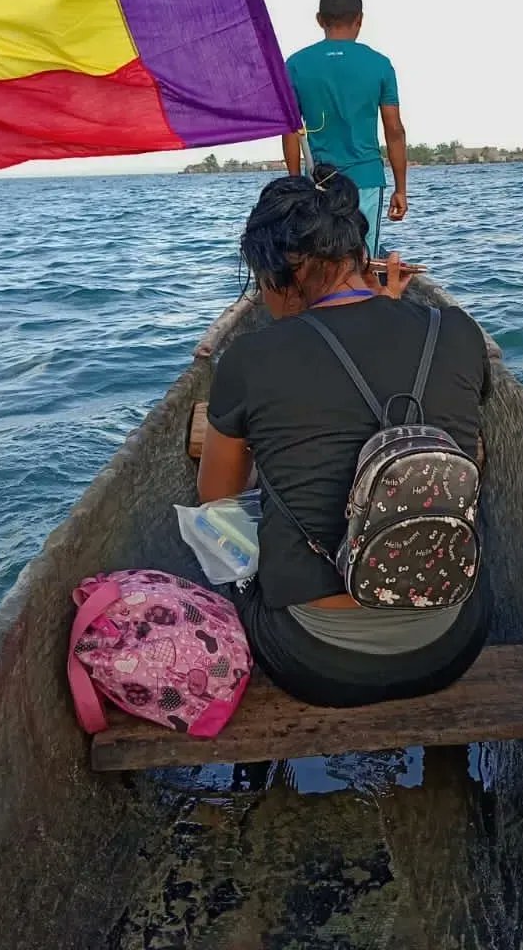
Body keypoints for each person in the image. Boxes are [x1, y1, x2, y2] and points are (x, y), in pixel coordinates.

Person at [197, 169, 490, 707]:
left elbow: (216, 503)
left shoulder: (249, 357)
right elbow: (472, 458)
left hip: (314, 657)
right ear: (359, 253)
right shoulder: (457, 331)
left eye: (262, 280)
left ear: (286, 270)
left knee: (226, 549)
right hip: (451, 640)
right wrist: (394, 311)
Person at [281, 0, 408, 257]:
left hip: (318, 183)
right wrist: (401, 189)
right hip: (366, 178)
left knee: (323, 258)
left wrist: (294, 185)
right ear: (360, 20)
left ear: (319, 20)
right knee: (363, 259)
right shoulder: (380, 64)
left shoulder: (295, 65)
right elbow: (394, 130)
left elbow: (291, 129)